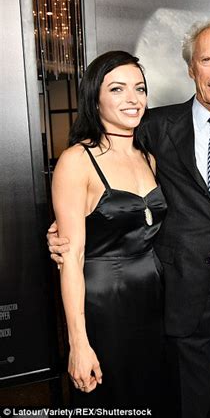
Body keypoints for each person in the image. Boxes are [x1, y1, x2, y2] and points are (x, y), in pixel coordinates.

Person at [50, 17, 210, 417]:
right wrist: (62, 232)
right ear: (190, 67)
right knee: (184, 403)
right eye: (207, 60)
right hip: (178, 291)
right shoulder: (152, 127)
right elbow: (102, 185)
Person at [51, 51, 167, 408]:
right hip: (103, 305)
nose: (132, 99)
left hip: (153, 300)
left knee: (154, 396)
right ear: (95, 99)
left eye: (140, 88)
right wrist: (79, 343)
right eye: (117, 89)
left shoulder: (149, 157)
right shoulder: (76, 161)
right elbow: (71, 256)